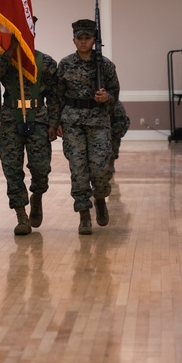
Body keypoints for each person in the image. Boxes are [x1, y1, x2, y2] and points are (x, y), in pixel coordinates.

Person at [0, 31, 60, 236]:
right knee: (11, 169)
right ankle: (21, 216)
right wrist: (10, 50)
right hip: (11, 119)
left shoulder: (45, 61)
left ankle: (37, 194)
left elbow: (54, 96)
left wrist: (54, 123)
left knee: (41, 167)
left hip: (38, 118)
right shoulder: (0, 59)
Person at [56, 18, 120, 235]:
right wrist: (55, 122)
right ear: (74, 40)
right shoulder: (65, 64)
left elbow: (115, 94)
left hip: (98, 121)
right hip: (72, 122)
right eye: (79, 38)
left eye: (87, 38)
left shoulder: (105, 65)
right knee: (78, 169)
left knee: (101, 168)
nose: (83, 42)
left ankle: (100, 197)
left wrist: (106, 98)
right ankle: (84, 213)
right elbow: (57, 97)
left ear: (94, 40)